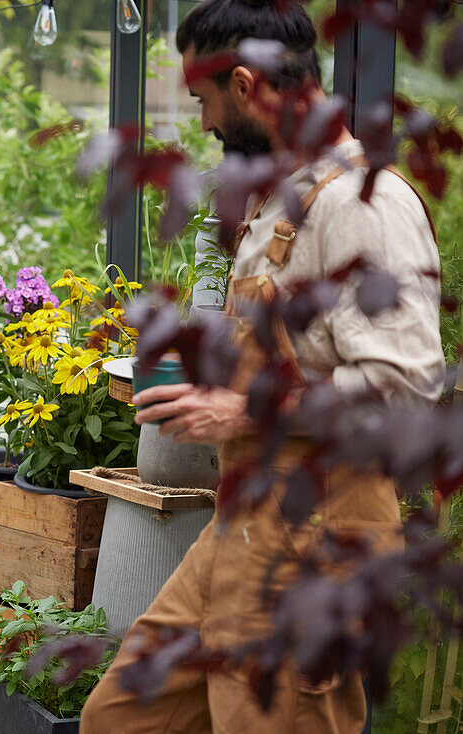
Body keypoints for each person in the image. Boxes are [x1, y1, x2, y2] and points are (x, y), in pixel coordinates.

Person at [80, 0, 443, 731]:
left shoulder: (362, 204)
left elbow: (406, 387)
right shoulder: (287, 198)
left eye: (203, 101)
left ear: (245, 86)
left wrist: (242, 409)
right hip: (241, 524)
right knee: (121, 717)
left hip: (314, 542)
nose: (206, 124)